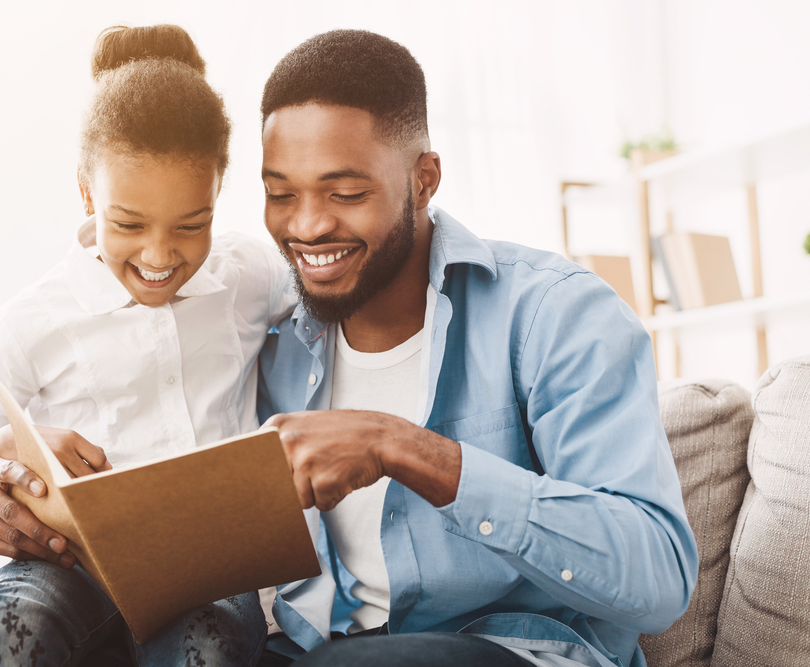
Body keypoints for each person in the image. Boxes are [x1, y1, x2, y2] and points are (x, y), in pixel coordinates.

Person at [254, 30, 699, 667]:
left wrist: (402, 447)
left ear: (424, 179)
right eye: (280, 194)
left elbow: (659, 578)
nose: (307, 225)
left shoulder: (555, 313)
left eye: (345, 194)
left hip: (514, 652)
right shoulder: (273, 344)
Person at [0, 25, 294, 667]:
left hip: (208, 570)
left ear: (217, 196)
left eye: (192, 225)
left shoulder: (248, 277)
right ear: (87, 193)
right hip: (66, 566)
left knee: (207, 645)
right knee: (0, 627)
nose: (160, 256)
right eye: (128, 224)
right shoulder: (31, 319)